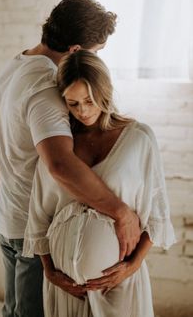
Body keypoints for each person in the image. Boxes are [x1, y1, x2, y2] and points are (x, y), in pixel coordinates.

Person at [0, 0, 141, 317]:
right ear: (75, 51)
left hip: (8, 215)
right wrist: (121, 212)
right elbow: (60, 164)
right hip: (29, 229)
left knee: (14, 312)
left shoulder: (17, 63)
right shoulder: (46, 86)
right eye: (96, 53)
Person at [23, 50, 176, 317]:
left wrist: (132, 267)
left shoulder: (139, 139)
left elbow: (157, 215)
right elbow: (39, 215)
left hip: (119, 286)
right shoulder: (59, 147)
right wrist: (49, 271)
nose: (82, 111)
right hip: (65, 289)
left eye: (89, 100)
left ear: (105, 92)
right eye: (72, 103)